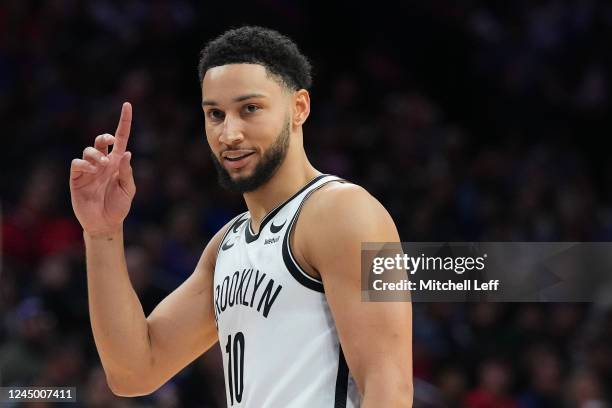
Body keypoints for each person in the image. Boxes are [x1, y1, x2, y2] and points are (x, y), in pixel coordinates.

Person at [69, 26, 413, 407]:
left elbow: (389, 388)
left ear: (299, 107)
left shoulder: (343, 212)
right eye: (215, 114)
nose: (229, 133)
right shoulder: (228, 244)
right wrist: (102, 233)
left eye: (250, 109)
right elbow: (134, 371)